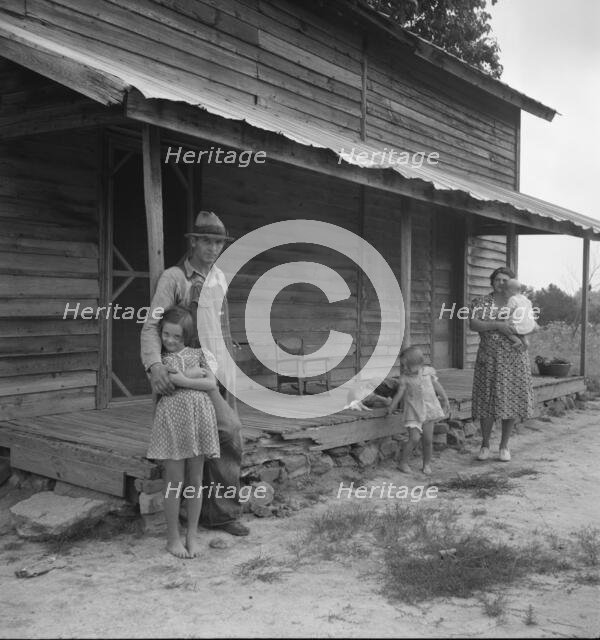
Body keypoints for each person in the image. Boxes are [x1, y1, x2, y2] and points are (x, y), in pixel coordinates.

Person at [141, 211, 249, 537]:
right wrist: (155, 365)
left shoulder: (218, 279)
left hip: (210, 372)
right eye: (207, 241)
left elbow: (223, 326)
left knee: (229, 434)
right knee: (189, 445)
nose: (213, 248)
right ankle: (188, 517)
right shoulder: (174, 279)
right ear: (194, 242)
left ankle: (222, 514)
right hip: (180, 374)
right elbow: (151, 326)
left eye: (218, 242)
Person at [147, 306, 221, 558]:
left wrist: (186, 379)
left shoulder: (199, 354)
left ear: (186, 336)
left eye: (177, 336)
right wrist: (191, 377)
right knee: (174, 482)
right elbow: (168, 380)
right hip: (172, 422)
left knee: (196, 481)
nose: (170, 340)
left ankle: (192, 534)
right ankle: (172, 538)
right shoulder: (159, 359)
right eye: (166, 334)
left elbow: (211, 383)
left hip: (198, 420)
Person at [469, 267, 535, 462]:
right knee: (486, 401)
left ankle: (504, 446)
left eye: (505, 280)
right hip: (489, 357)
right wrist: (497, 325)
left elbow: (530, 323)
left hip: (514, 358)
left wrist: (525, 338)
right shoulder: (481, 302)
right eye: (497, 279)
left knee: (511, 400)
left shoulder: (518, 301)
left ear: (511, 282)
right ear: (492, 282)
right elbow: (473, 324)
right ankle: (485, 444)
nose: (501, 283)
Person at [386, 346, 450, 475]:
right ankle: (402, 463)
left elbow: (437, 386)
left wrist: (445, 399)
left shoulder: (427, 373)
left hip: (428, 410)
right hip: (413, 411)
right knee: (414, 438)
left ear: (419, 365)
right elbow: (399, 393)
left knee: (427, 440)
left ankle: (426, 464)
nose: (404, 369)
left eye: (407, 366)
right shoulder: (405, 378)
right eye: (402, 366)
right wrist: (392, 405)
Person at [504, 278, 537, 350]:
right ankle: (526, 343)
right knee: (521, 332)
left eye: (505, 291)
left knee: (506, 329)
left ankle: (517, 341)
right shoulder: (526, 299)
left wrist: (501, 314)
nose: (505, 293)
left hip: (518, 326)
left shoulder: (513, 299)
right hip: (529, 326)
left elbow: (508, 311)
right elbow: (531, 312)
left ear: (510, 291)